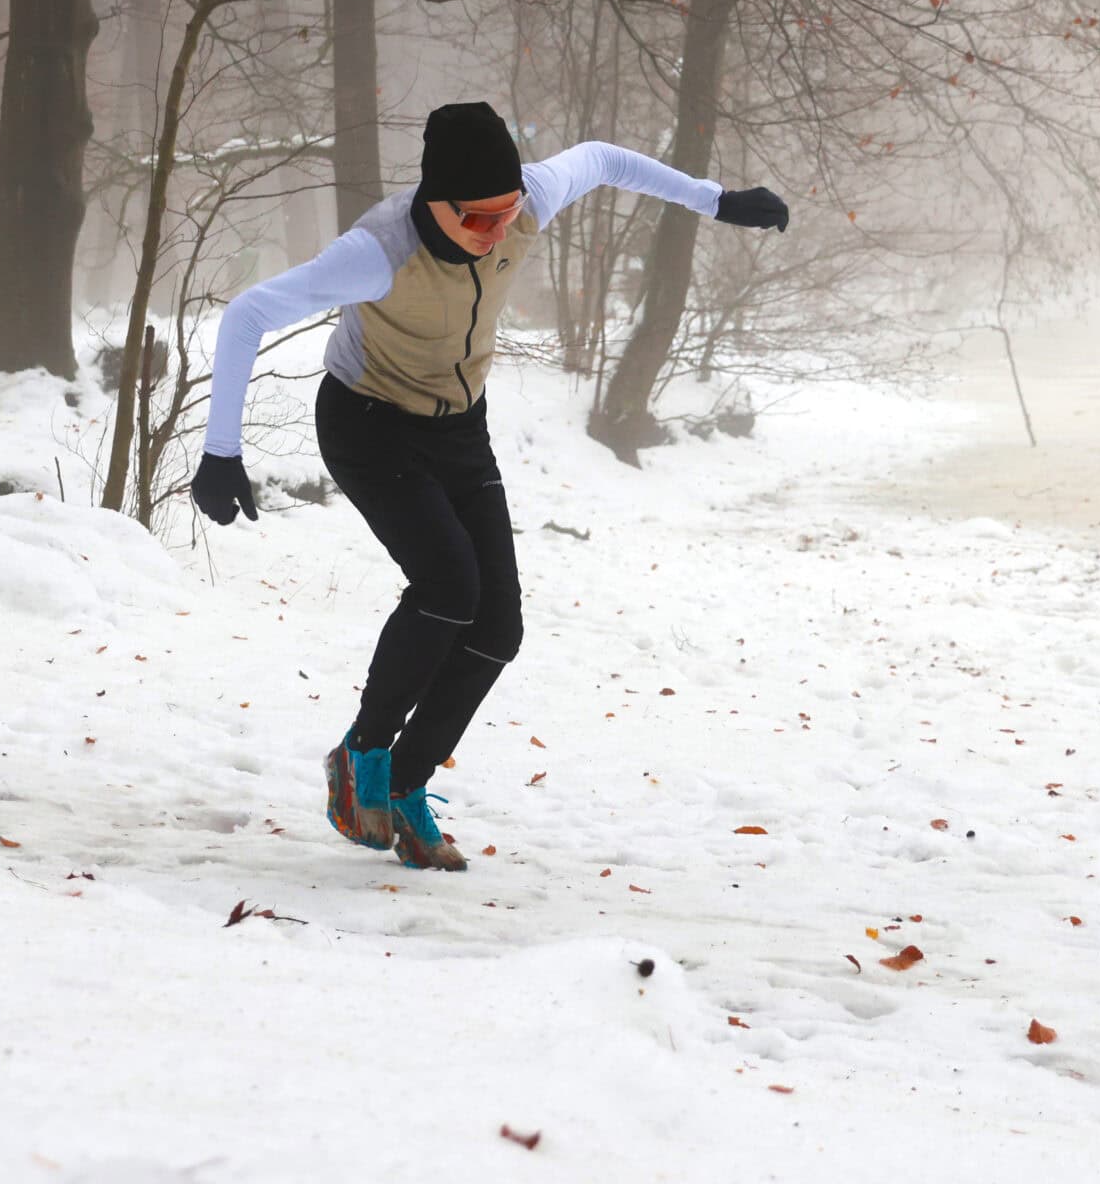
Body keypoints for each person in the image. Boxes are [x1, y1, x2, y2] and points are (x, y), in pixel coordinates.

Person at [188, 101, 789, 870]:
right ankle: (361, 758)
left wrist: (717, 200)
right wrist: (221, 453)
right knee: (446, 586)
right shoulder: (377, 250)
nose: (498, 231)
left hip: (458, 425)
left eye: (508, 213)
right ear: (434, 200)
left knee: (496, 627)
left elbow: (603, 155)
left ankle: (404, 786)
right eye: (478, 220)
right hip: (368, 422)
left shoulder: (523, 198)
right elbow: (247, 315)